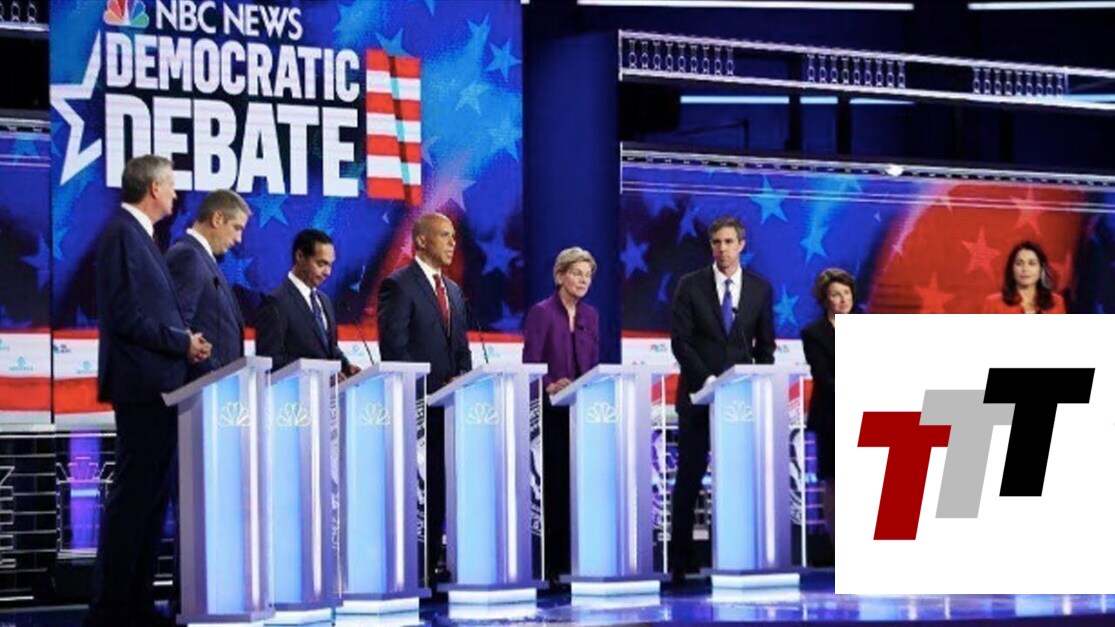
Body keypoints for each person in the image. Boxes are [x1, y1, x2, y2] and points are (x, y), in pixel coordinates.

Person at [87, 155, 211, 627]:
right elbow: (125, 316)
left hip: (160, 387)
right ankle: (112, 608)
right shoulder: (122, 234)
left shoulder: (142, 236)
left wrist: (184, 343)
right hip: (142, 388)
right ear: (154, 188)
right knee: (134, 499)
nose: (176, 194)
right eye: (171, 185)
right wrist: (181, 342)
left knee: (151, 501)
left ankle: (136, 604)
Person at [668, 215, 775, 584]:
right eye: (716, 242)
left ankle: (737, 554)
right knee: (689, 478)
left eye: (729, 242)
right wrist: (709, 381)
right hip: (698, 398)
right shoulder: (690, 285)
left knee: (739, 479)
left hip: (740, 405)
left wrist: (753, 383)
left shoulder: (760, 289)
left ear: (741, 244)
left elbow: (766, 347)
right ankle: (681, 564)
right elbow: (680, 341)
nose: (722, 249)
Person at [377, 212, 473, 585]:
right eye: (444, 235)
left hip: (450, 409)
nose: (452, 243)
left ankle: (435, 563)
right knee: (418, 490)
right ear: (421, 240)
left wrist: (462, 381)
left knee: (443, 487)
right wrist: (423, 391)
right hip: (417, 408)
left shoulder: (454, 291)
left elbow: (461, 348)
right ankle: (413, 567)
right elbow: (395, 348)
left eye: (454, 237)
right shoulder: (398, 285)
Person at [521, 247, 600, 584]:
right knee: (554, 487)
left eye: (588, 275)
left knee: (577, 487)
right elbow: (531, 363)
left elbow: (593, 363)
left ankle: (576, 563)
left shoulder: (591, 316)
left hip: (581, 412)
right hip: (550, 412)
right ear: (560, 276)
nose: (583, 280)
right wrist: (550, 385)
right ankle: (552, 567)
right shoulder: (542, 313)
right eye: (576, 273)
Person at [165, 190, 251, 379]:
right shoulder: (188, 256)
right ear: (217, 219)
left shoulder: (203, 258)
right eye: (237, 228)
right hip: (199, 386)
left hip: (218, 385)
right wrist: (211, 369)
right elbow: (176, 326)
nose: (239, 239)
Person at [255, 229, 361, 377]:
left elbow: (329, 348)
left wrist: (346, 366)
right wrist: (319, 375)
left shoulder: (324, 301)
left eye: (330, 265)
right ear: (300, 256)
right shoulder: (275, 303)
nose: (327, 272)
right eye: (321, 263)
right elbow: (269, 361)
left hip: (328, 390)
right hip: (295, 391)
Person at [801, 267, 854, 553]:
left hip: (865, 414)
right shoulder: (814, 334)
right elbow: (823, 377)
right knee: (835, 480)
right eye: (836, 294)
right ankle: (838, 547)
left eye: (846, 293)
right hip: (832, 416)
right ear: (825, 300)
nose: (843, 299)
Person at [982, 240, 1067, 314]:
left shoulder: (1056, 302)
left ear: (1041, 269)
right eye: (1019, 263)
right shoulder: (993, 303)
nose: (1025, 269)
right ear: (1011, 269)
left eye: (1032, 263)